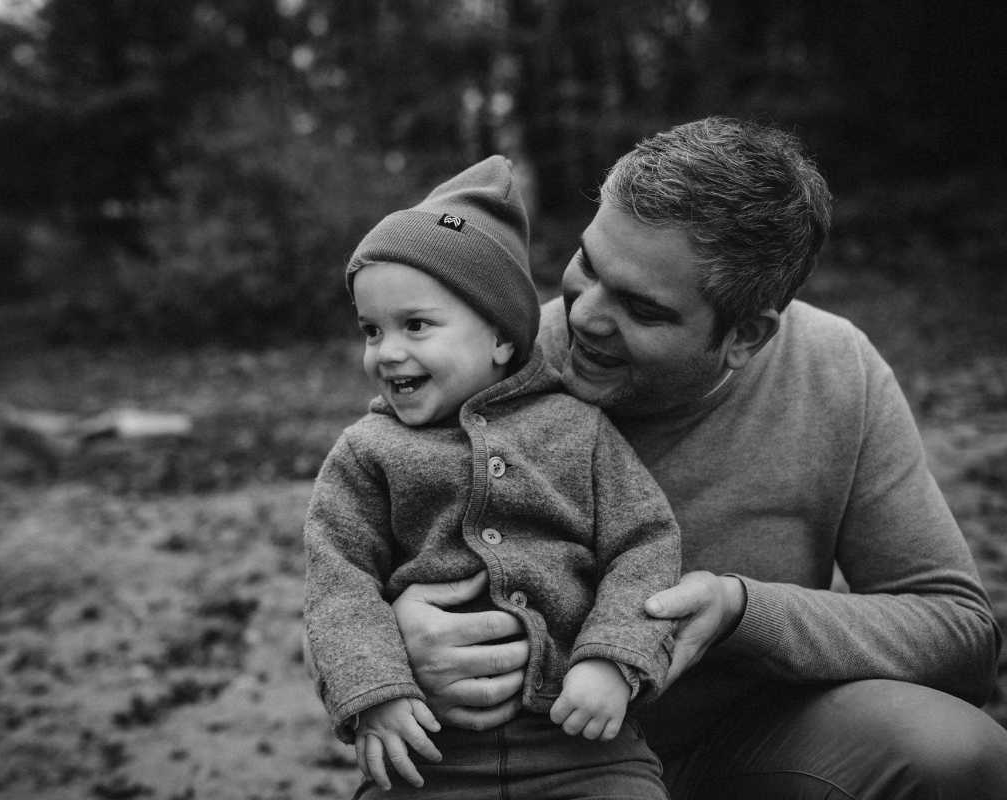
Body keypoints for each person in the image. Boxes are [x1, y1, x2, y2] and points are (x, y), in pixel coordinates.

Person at [390, 117, 1007, 799]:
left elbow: (960, 634)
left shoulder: (833, 371)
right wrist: (397, 641)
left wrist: (742, 613)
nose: (586, 315)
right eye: (589, 264)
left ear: (745, 335)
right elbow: (341, 566)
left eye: (642, 309)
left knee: (956, 753)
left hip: (738, 754)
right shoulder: (488, 366)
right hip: (525, 768)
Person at [303, 155, 682, 797]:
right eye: (371, 330)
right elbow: (338, 582)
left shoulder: (577, 429)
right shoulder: (367, 452)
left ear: (502, 338)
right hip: (430, 750)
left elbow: (645, 543)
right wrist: (375, 692)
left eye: (415, 325)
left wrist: (615, 657)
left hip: (582, 745)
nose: (387, 350)